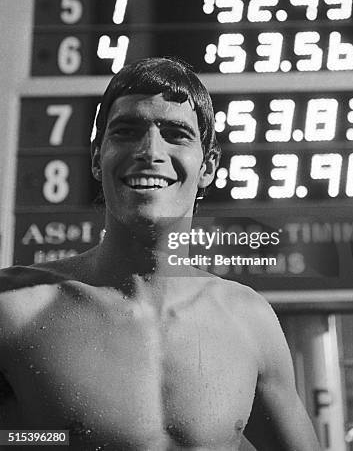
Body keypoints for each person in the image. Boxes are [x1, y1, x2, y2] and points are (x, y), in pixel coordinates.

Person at [0, 58, 320, 450]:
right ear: (97, 157)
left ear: (208, 167)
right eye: (127, 131)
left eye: (175, 133)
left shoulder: (250, 321)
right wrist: (47, 441)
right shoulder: (16, 308)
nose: (149, 150)